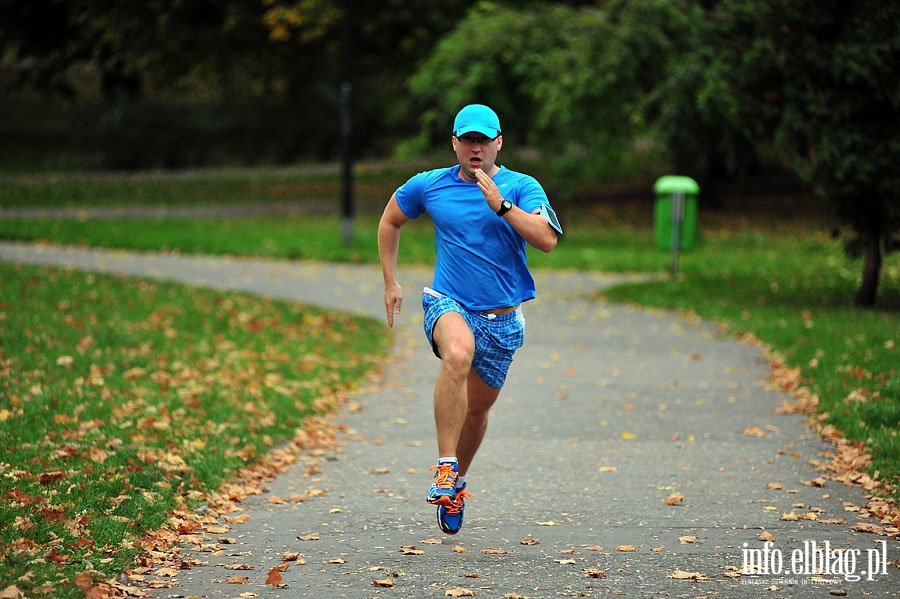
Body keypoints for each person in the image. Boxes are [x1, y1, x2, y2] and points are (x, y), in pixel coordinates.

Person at [377, 104, 562, 535]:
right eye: (467, 140)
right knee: (458, 354)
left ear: (498, 143)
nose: (475, 148)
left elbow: (547, 240)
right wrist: (391, 281)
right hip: (449, 303)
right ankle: (444, 468)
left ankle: (456, 482)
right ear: (455, 143)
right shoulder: (430, 186)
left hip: (503, 318)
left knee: (476, 412)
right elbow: (390, 220)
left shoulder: (522, 186)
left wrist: (501, 206)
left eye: (484, 140)